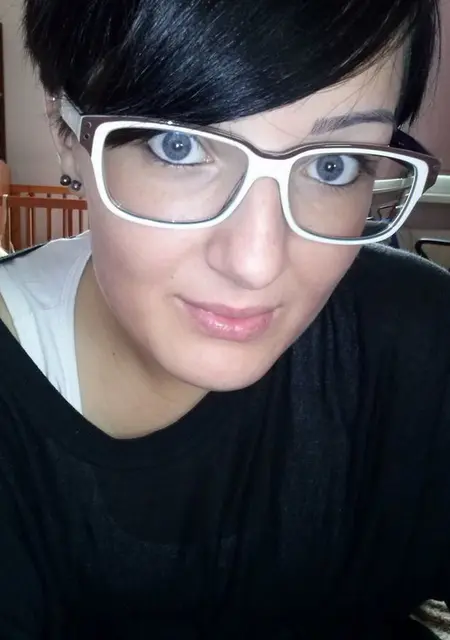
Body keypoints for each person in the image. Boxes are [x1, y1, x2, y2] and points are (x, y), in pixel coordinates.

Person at [0, 0, 448, 637]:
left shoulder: (416, 340)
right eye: (179, 145)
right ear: (66, 133)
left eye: (334, 164)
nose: (256, 264)